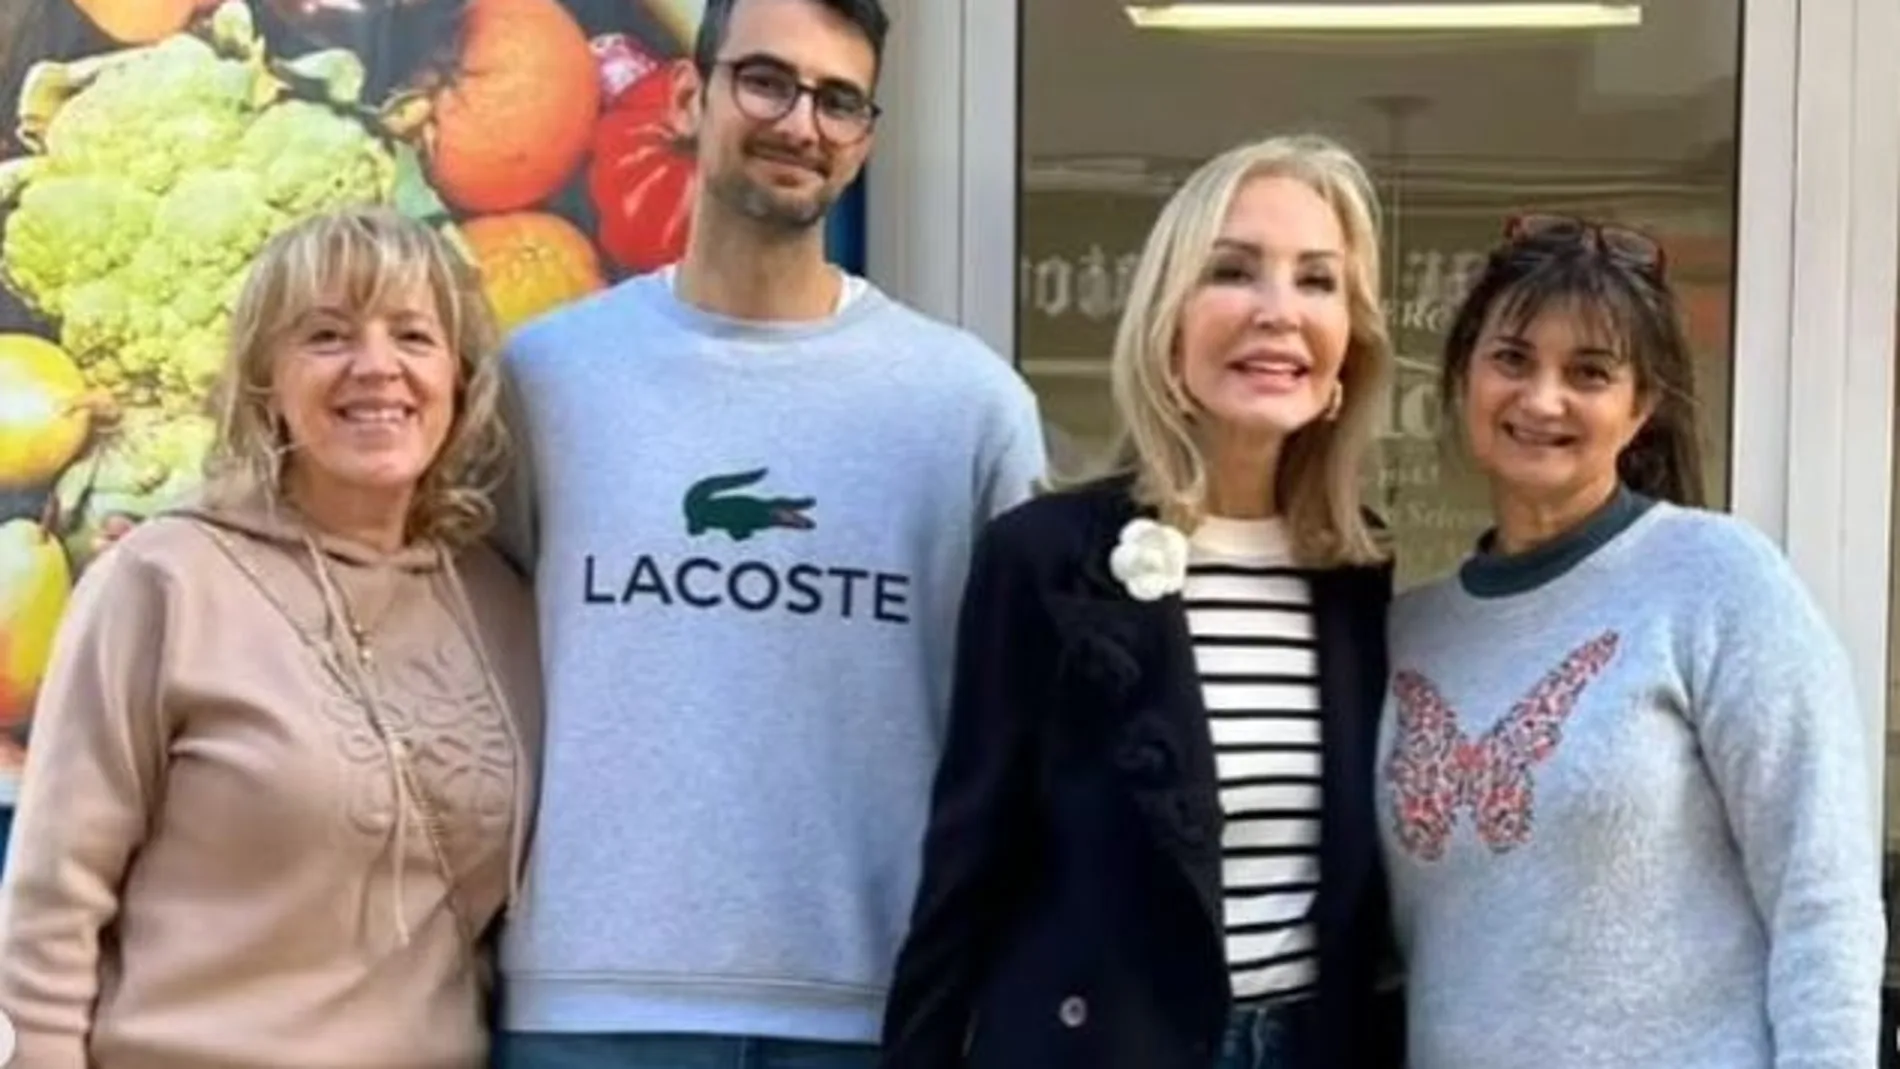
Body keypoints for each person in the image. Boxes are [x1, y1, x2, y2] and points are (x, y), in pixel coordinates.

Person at [486, 0, 1046, 1065]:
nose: (802, 121)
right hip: (589, 1010)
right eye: (767, 82)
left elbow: (1021, 722)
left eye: (838, 99)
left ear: (866, 138)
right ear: (689, 98)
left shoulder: (966, 407)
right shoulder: (547, 379)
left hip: (874, 1009)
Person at [879, 133, 1405, 1069]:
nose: (1279, 313)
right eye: (1234, 271)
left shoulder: (1362, 573)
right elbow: (966, 876)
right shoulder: (1043, 560)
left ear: (1348, 353)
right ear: (1169, 322)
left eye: (1317, 281)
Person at [0, 206, 542, 1068]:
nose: (377, 368)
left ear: (460, 375)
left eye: (412, 335)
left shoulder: (499, 606)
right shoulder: (163, 581)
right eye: (327, 336)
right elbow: (53, 903)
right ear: (266, 379)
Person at [1377, 213, 1884, 1068]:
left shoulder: (1719, 580)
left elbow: (1821, 894)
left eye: (1589, 372)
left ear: (1639, 405)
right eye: (1512, 359)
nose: (1543, 398)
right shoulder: (1411, 633)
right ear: (1463, 378)